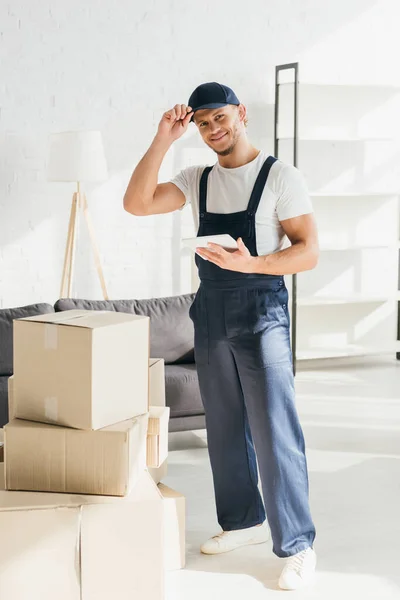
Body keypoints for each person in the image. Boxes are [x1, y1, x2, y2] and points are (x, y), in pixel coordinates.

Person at [123, 81, 319, 591]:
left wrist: (252, 263)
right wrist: (163, 139)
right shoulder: (196, 179)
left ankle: (298, 545)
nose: (213, 130)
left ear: (241, 114)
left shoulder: (280, 176)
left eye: (221, 119)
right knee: (225, 426)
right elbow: (136, 204)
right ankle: (243, 522)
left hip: (262, 312)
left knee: (275, 428)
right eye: (203, 123)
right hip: (209, 312)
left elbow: (307, 251)